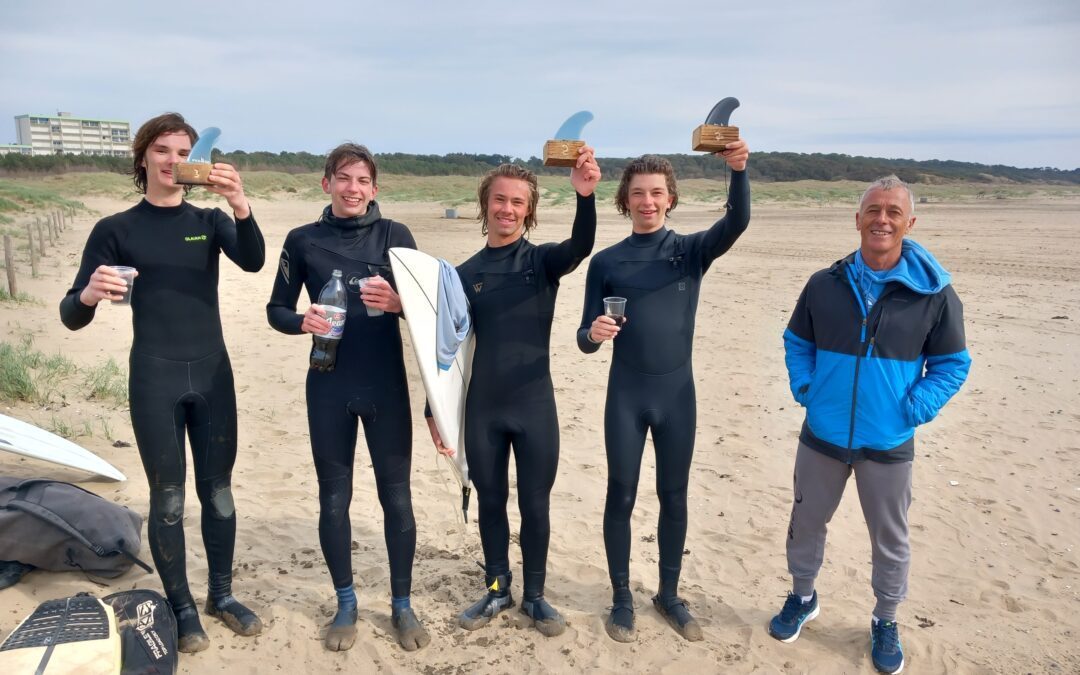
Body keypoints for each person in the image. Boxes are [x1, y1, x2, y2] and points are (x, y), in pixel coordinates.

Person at [60, 112, 265, 653]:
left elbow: (253, 259)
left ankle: (222, 596)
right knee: (168, 498)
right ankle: (182, 607)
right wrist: (87, 294)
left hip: (213, 373)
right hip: (154, 376)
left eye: (185, 152)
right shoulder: (116, 230)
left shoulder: (210, 219)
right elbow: (70, 314)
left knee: (219, 493)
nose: (175, 161)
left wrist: (240, 205)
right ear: (143, 157)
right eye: (164, 150)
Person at [767, 175, 971, 674]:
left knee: (890, 537)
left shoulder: (935, 295)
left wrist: (914, 408)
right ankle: (803, 597)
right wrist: (808, 390)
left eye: (893, 212)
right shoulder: (824, 283)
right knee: (806, 524)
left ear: (909, 222)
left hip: (889, 440)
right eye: (873, 210)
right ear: (857, 219)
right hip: (823, 435)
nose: (882, 219)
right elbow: (797, 342)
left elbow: (952, 364)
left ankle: (885, 618)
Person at [576, 141, 750, 642]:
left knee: (673, 495)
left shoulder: (690, 252)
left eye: (656, 193)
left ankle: (669, 595)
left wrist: (738, 171)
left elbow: (735, 224)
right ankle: (621, 598)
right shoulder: (606, 262)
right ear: (624, 201)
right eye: (637, 193)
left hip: (678, 396)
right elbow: (584, 340)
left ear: (670, 198)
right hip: (625, 397)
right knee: (622, 494)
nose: (647, 201)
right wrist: (593, 334)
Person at [426, 149, 601, 636]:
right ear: (485, 206)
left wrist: (584, 197)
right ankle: (497, 589)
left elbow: (581, 245)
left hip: (534, 403)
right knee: (489, 500)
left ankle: (537, 597)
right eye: (499, 200)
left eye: (517, 202)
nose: (507, 209)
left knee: (536, 504)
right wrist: (434, 410)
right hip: (484, 405)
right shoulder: (464, 274)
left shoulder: (542, 262)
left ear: (529, 209)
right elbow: (448, 347)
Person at [266, 143, 429, 652]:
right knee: (333, 498)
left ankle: (402, 606)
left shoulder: (396, 237)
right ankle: (346, 603)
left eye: (362, 180)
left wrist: (401, 304)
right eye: (343, 178)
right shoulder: (302, 240)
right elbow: (275, 308)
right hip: (328, 383)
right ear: (327, 184)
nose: (352, 188)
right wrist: (302, 322)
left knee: (396, 497)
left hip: (386, 385)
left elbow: (428, 310)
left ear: (374, 188)